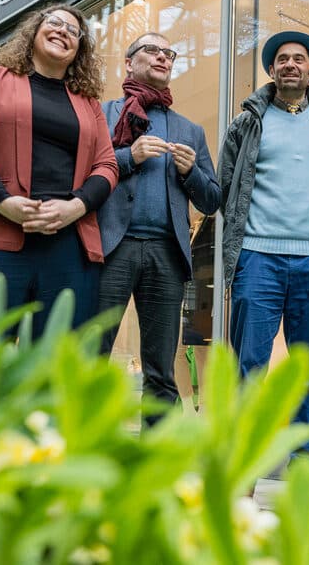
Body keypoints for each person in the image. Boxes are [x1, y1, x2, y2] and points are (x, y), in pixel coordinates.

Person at [219, 30, 309, 505]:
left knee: (308, 373)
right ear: (272, 69)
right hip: (257, 257)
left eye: (299, 59)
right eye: (282, 59)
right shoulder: (246, 122)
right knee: (249, 368)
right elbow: (227, 187)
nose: (290, 64)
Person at [0, 4, 118, 338]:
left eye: (73, 31)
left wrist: (75, 207)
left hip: (70, 246)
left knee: (59, 360)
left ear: (79, 49)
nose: (63, 31)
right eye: (54, 23)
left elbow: (107, 165)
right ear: (34, 32)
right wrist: (2, 201)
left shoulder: (89, 103)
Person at [97, 32, 221, 425]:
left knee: (161, 370)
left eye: (169, 53)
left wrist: (190, 172)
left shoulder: (189, 130)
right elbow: (83, 173)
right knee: (91, 355)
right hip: (111, 247)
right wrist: (128, 157)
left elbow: (211, 200)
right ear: (128, 63)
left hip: (167, 254)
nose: (163, 57)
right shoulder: (102, 115)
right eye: (152, 50)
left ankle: (159, 457)